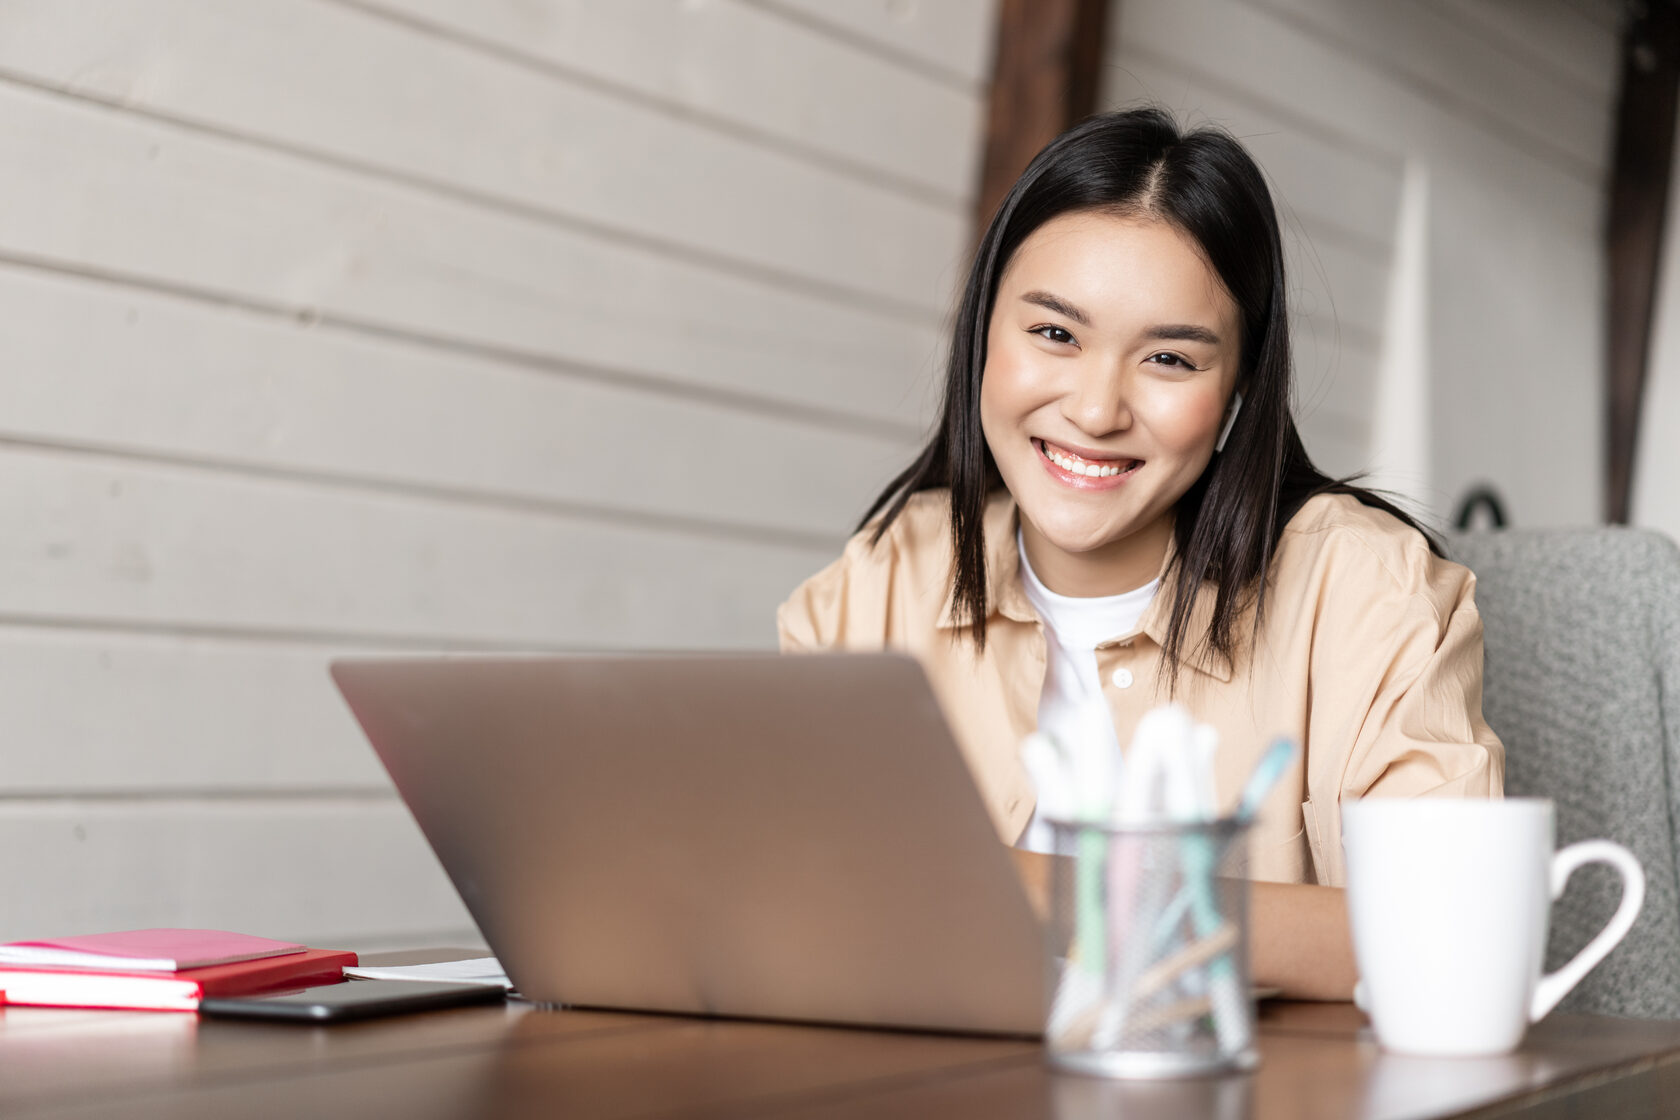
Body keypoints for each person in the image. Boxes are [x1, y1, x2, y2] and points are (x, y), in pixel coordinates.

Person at [777, 106, 1503, 999]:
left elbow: (1448, 931)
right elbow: (779, 895)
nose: (1096, 409)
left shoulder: (1365, 591)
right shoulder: (884, 575)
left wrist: (1027, 891)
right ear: (981, 339)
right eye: (1054, 334)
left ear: (1237, 392)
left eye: (1167, 359)